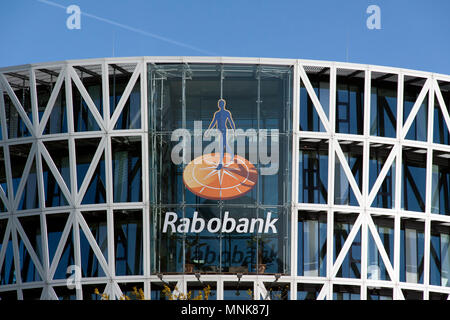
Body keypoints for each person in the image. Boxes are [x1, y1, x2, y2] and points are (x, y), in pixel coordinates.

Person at [205, 99, 236, 169]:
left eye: (221, 104)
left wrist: (234, 129)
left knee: (222, 146)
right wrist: (208, 130)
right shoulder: (217, 113)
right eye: (220, 104)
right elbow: (213, 122)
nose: (220, 105)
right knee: (225, 144)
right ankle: (232, 156)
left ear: (223, 105)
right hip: (219, 131)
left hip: (223, 131)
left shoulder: (226, 113)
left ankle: (220, 163)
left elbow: (230, 121)